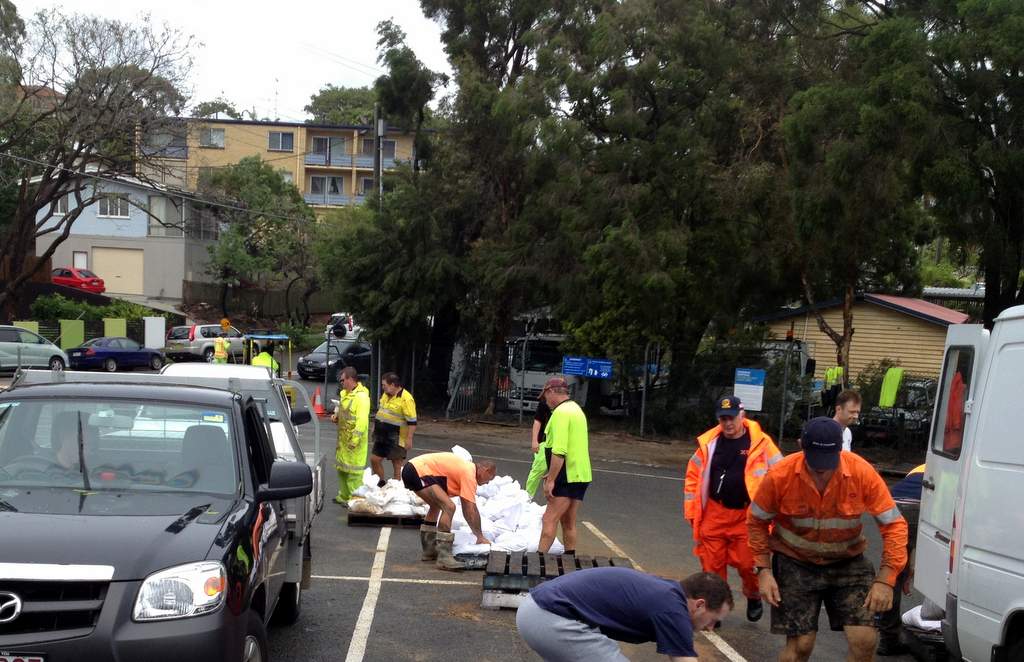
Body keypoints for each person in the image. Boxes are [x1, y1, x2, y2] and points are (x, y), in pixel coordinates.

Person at [748, 417, 909, 662]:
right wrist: (763, 570)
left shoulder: (860, 472)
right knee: (801, 646)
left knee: (864, 640)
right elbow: (756, 522)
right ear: (802, 445)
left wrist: (886, 579)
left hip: (847, 562)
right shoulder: (780, 476)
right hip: (796, 562)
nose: (821, 469)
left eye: (828, 461)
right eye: (815, 462)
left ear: (840, 450)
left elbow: (894, 525)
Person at [684, 395, 781, 623]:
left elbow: (781, 475)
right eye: (723, 418)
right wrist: (691, 511)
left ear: (742, 415)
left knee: (749, 564)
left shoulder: (762, 443)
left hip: (747, 516)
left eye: (731, 418)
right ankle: (714, 611)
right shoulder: (709, 443)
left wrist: (778, 515)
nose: (728, 423)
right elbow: (692, 477)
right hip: (714, 513)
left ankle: (753, 595)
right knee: (712, 567)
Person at [517, 568, 733, 662]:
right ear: (700, 605)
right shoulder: (673, 608)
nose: (710, 627)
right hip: (550, 616)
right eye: (714, 619)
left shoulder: (668, 592)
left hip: (537, 609)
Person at [401, 451, 496, 570]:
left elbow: (468, 507)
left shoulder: (466, 469)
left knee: (435, 505)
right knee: (449, 507)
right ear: (485, 470)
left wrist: (478, 534)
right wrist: (480, 536)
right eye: (490, 479)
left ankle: (429, 551)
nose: (487, 483)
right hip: (418, 470)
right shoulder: (469, 473)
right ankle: (444, 557)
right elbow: (470, 509)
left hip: (413, 469)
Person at [536, 377, 591, 555]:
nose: (544, 401)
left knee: (549, 519)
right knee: (568, 521)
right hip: (580, 474)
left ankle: (538, 561)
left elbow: (559, 451)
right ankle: (569, 559)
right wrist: (552, 473)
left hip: (566, 474)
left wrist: (552, 479)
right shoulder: (576, 410)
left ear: (551, 391)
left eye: (544, 396)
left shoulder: (560, 413)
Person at [876, 464, 924, 656]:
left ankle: (887, 636)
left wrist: (908, 569)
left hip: (892, 502)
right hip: (917, 505)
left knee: (894, 568)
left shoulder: (921, 467)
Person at [330, 366, 370, 505]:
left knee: (354, 474)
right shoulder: (345, 395)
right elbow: (345, 414)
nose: (341, 383)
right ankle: (344, 496)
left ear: (351, 379)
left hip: (354, 444)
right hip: (343, 442)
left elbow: (362, 421)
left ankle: (356, 501)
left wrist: (355, 439)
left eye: (343, 380)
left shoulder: (362, 398)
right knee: (342, 470)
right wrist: (336, 417)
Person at [370, 372, 417, 487]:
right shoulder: (386, 395)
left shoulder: (406, 399)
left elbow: (412, 421)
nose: (383, 387)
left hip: (396, 437)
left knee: (396, 464)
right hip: (382, 436)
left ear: (393, 385)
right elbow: (381, 412)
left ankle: (396, 489)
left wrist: (409, 438)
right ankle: (381, 483)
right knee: (374, 459)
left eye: (384, 385)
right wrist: (374, 428)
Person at [525, 388, 554, 498]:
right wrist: (534, 441)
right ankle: (528, 496)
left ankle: (555, 499)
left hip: (559, 443)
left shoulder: (565, 406)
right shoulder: (544, 404)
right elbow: (537, 421)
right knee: (538, 470)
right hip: (544, 442)